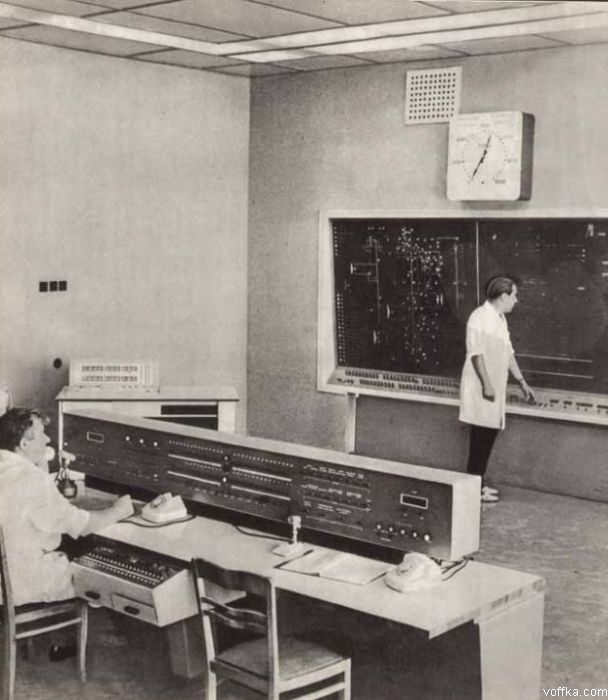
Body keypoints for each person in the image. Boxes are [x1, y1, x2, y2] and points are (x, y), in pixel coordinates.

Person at [0, 407, 134, 606]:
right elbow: (83, 526)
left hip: (4, 583)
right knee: (105, 576)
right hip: (24, 583)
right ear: (24, 444)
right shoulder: (32, 479)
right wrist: (120, 510)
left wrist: (41, 472)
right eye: (41, 434)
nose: (47, 439)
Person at [459, 276, 535, 503]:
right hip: (482, 389)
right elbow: (476, 355)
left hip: (492, 390)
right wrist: (487, 385)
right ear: (503, 296)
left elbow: (508, 353)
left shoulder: (500, 319)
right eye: (514, 295)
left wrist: (522, 381)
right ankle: (474, 488)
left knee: (487, 437)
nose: (516, 300)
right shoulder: (479, 317)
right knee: (480, 439)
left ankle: (477, 485)